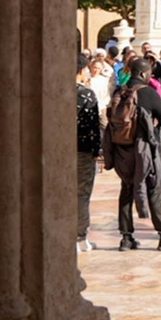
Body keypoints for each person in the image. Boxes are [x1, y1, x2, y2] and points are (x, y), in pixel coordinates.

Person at [102, 57, 161, 251]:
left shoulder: (120, 91)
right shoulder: (148, 92)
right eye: (149, 72)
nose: (151, 76)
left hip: (122, 150)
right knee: (154, 189)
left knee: (126, 190)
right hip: (146, 151)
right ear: (143, 74)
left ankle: (126, 238)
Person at [74, 53, 100, 253]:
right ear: (82, 71)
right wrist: (96, 151)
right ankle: (80, 237)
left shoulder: (54, 92)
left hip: (58, 150)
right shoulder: (86, 95)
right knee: (81, 194)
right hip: (81, 150)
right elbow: (93, 126)